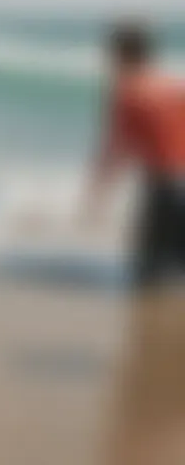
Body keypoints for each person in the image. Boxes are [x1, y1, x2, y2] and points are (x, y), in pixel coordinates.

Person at [84, 20, 185, 290]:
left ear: (120, 54)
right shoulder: (174, 84)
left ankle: (153, 329)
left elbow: (115, 147)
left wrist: (97, 191)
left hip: (164, 188)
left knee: (149, 274)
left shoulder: (129, 90)